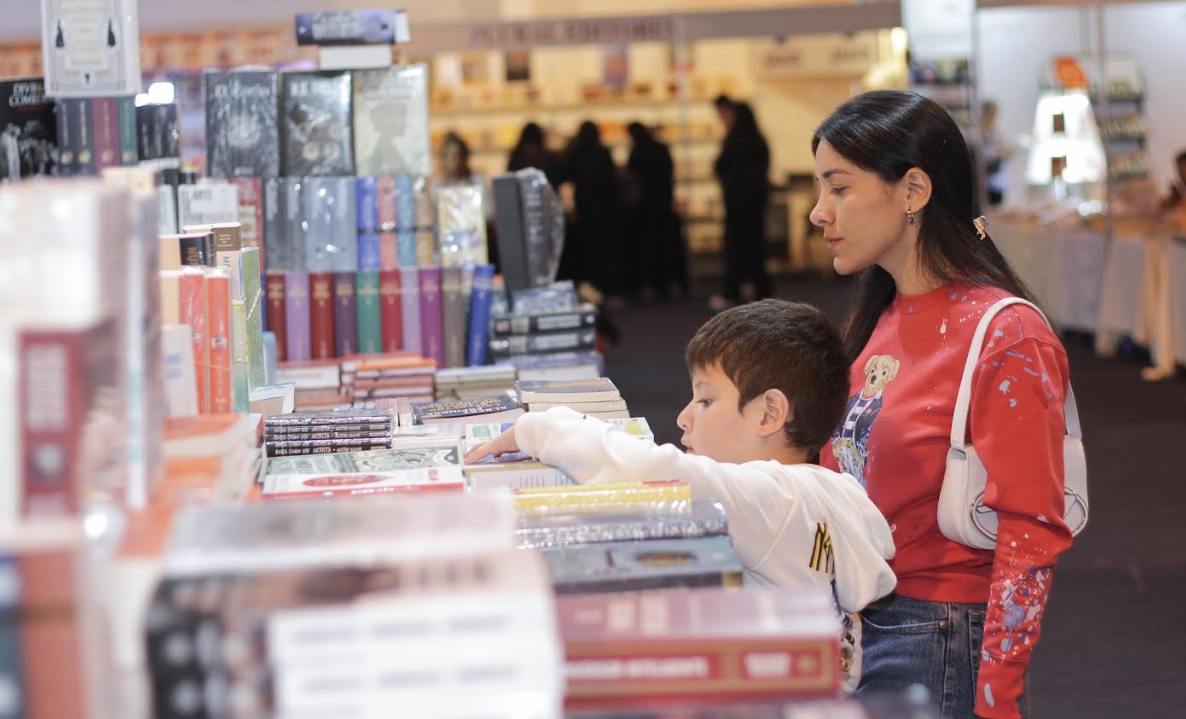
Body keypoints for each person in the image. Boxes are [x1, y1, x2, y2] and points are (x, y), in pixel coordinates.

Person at [465, 299, 898, 694]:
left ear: (769, 413)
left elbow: (655, 474)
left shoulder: (774, 499)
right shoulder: (825, 494)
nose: (683, 417)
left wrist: (540, 427)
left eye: (705, 400)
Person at [809, 90, 1075, 719]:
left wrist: (997, 695)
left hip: (938, 642)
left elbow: (1032, 531)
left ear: (913, 191)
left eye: (838, 188)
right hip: (860, 629)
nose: (819, 213)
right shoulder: (877, 318)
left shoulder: (1006, 335)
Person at [713, 101, 772, 310]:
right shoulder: (758, 140)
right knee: (754, 246)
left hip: (737, 204)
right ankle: (759, 287)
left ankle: (733, 289)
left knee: (736, 246)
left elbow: (721, 167)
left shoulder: (735, 140)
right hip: (755, 203)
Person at [562, 121, 624, 299]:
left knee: (591, 254)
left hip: (587, 210)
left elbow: (566, 175)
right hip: (607, 209)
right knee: (610, 252)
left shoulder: (577, 154)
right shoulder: (603, 152)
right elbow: (613, 180)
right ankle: (615, 290)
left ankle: (595, 290)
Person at [625, 121, 681, 300]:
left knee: (648, 248)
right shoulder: (660, 149)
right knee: (664, 246)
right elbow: (669, 174)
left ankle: (650, 284)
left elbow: (631, 177)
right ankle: (666, 283)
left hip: (645, 208)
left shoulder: (637, 152)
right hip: (662, 205)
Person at [507, 122, 562, 187]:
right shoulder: (547, 156)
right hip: (545, 194)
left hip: (521, 194)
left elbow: (511, 176)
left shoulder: (516, 155)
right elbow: (557, 178)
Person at [980, 100, 1013, 207]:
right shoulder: (980, 133)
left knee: (997, 209)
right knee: (985, 215)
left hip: (998, 180)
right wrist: (1000, 152)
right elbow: (986, 155)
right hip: (986, 181)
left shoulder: (995, 131)